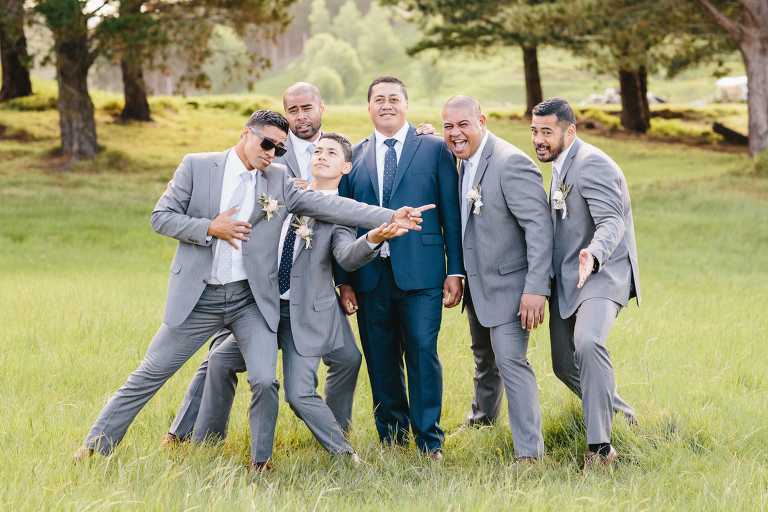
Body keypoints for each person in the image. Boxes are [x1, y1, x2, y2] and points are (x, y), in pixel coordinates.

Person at [73, 110, 431, 472]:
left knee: (264, 378)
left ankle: (261, 461)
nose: (271, 153)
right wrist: (210, 227)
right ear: (246, 133)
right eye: (267, 143)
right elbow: (160, 217)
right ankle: (94, 447)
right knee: (150, 374)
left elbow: (331, 205)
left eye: (279, 148)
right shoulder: (198, 166)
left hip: (250, 302)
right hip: (200, 297)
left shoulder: (277, 179)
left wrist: (387, 217)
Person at [164, 133, 410, 463]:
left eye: (332, 153)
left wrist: (373, 238)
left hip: (303, 315)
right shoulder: (281, 194)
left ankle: (345, 454)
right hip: (259, 308)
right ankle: (207, 441)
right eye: (318, 150)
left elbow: (347, 257)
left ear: (346, 166)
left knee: (299, 392)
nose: (322, 155)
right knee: (220, 360)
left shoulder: (340, 213)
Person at [336, 76, 463, 459]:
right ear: (369, 107)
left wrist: (455, 269)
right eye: (378, 99)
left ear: (406, 105)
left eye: (394, 99)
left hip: (423, 274)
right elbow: (342, 224)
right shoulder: (354, 157)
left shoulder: (435, 149)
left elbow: (451, 214)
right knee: (380, 359)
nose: (386, 105)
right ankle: (392, 438)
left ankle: (429, 442)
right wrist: (344, 281)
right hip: (370, 277)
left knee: (424, 353)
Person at [530, 98, 640, 468]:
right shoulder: (561, 165)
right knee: (564, 365)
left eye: (547, 132)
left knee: (588, 343)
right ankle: (625, 417)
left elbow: (612, 221)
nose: (539, 139)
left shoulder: (592, 163)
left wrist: (593, 254)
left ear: (569, 131)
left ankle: (601, 449)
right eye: (534, 131)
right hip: (569, 275)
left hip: (602, 272)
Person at [442, 95, 553, 462]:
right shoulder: (464, 163)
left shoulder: (509, 163)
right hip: (478, 285)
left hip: (511, 288)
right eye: (448, 126)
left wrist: (536, 289)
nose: (455, 133)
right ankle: (482, 421)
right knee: (484, 359)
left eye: (463, 125)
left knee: (511, 363)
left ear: (482, 121)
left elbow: (539, 229)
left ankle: (529, 455)